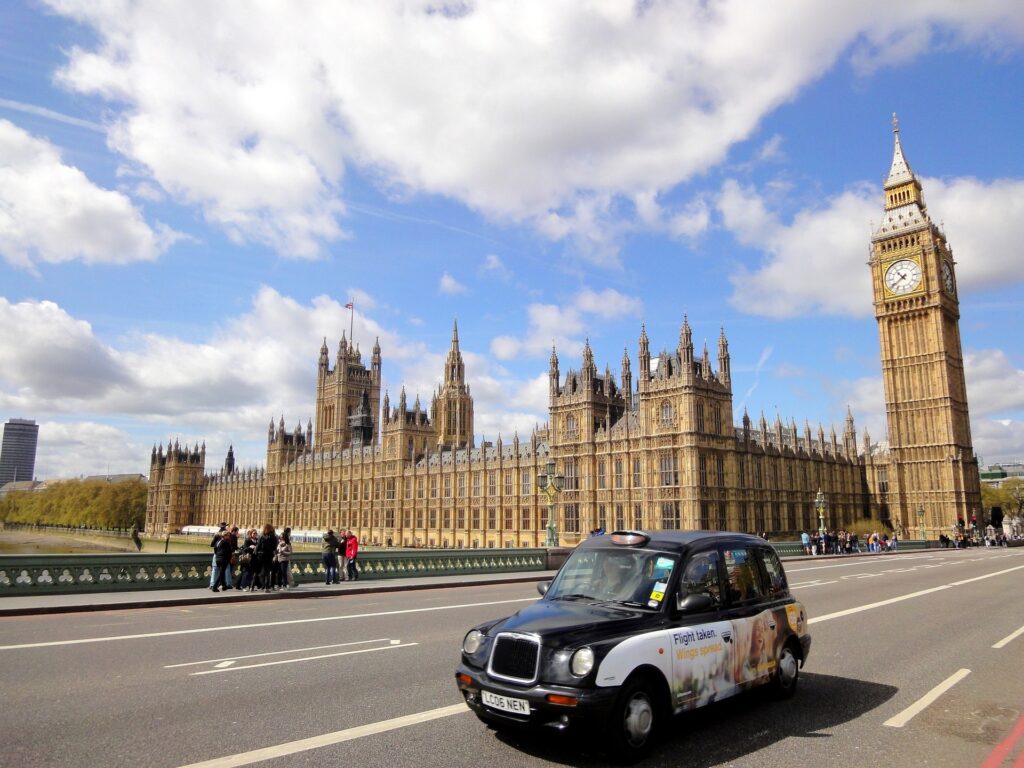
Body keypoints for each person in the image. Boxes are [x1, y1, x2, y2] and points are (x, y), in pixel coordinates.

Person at [255, 523, 278, 593]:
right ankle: (267, 587)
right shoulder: (274, 537)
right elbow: (275, 548)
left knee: (260, 571)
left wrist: (256, 554)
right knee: (267, 572)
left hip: (261, 556)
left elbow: (258, 547)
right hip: (269, 555)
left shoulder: (262, 537)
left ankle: (262, 585)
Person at [209, 521, 228, 588]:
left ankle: (213, 584)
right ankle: (219, 585)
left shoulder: (217, 534)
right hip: (223, 556)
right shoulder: (227, 535)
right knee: (222, 571)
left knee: (215, 569)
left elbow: (211, 544)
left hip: (216, 554)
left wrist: (217, 547)